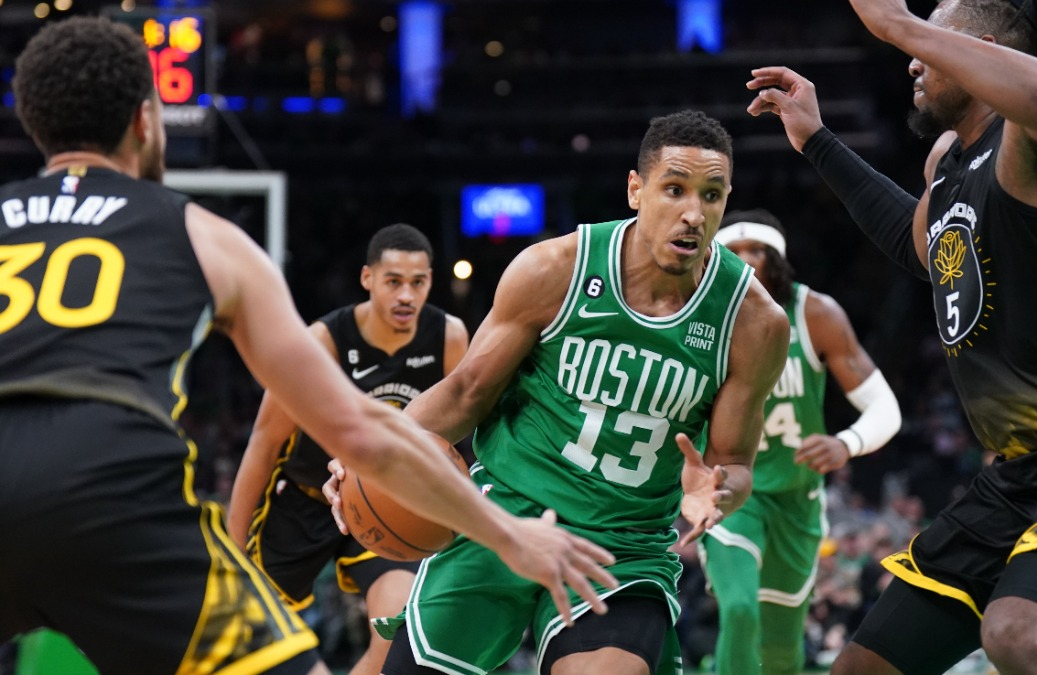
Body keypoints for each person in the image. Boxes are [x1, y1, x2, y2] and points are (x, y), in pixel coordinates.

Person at [0, 16, 615, 675]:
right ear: (145, 119)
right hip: (116, 506)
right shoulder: (203, 235)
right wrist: (509, 532)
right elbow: (359, 429)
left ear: (36, 124)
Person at [746, 0, 1037, 673]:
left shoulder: (1036, 133)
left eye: (930, 45)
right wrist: (817, 140)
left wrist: (899, 21)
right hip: (1023, 469)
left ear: (982, 50)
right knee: (862, 666)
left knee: (1017, 630)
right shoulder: (949, 163)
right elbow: (916, 243)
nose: (910, 60)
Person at [325, 109, 792, 675]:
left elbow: (735, 462)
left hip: (623, 546)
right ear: (635, 190)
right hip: (504, 513)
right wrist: (371, 452)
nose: (694, 213)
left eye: (712, 195)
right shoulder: (555, 270)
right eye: (675, 189)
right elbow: (466, 393)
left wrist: (717, 490)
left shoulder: (753, 323)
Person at [227, 223, 469, 675]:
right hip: (303, 502)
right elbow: (263, 444)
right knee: (244, 639)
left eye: (418, 283)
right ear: (367, 279)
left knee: (394, 630)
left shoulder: (449, 337)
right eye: (393, 281)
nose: (406, 296)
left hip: (387, 502)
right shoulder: (322, 342)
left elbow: (462, 435)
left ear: (431, 282)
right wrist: (231, 550)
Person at [701, 208, 902, 675]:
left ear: (778, 259)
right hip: (733, 492)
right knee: (739, 611)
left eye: (757, 250)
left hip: (797, 499)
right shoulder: (702, 318)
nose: (746, 261)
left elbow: (884, 408)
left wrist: (846, 443)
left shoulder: (815, 314)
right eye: (733, 251)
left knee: (781, 652)